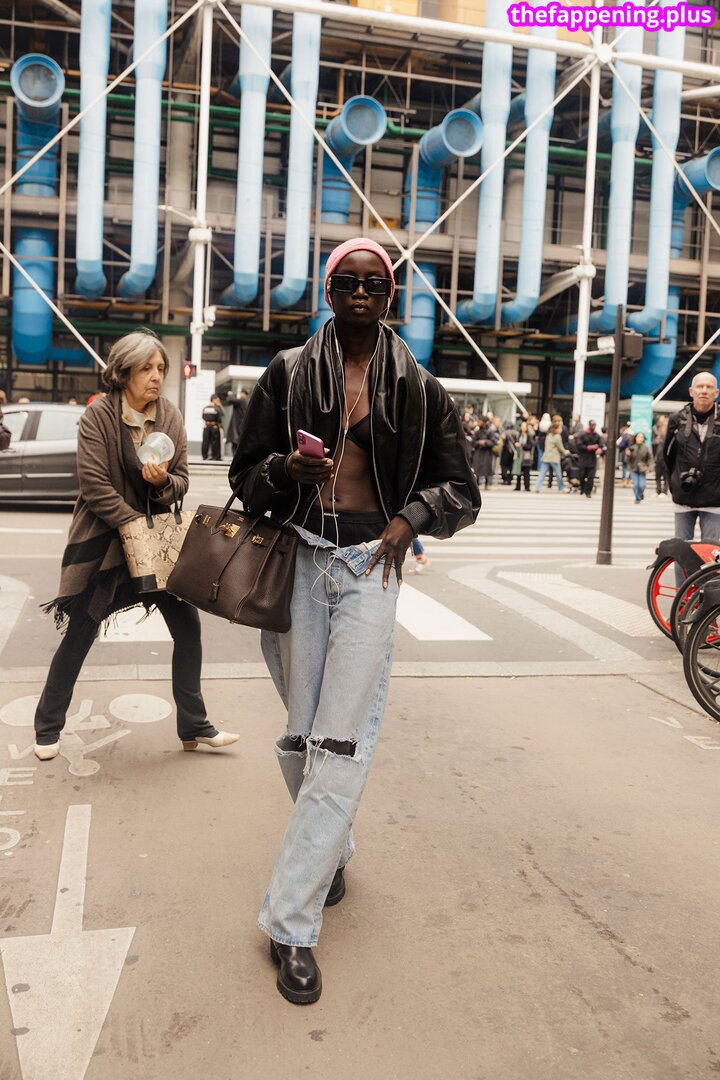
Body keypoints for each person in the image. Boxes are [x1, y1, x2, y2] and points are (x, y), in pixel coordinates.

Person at [229, 236, 481, 1006]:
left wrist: (410, 520)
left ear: (391, 295)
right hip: (299, 561)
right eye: (349, 282)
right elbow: (244, 473)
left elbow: (461, 489)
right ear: (329, 290)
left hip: (372, 567)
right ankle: (330, 848)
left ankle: (290, 923)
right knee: (302, 736)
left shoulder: (420, 387)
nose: (362, 293)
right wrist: (285, 470)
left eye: (376, 283)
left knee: (341, 743)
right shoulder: (286, 373)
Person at [33, 330, 239, 761]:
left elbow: (182, 479)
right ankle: (47, 727)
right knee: (80, 632)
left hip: (157, 549)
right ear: (123, 372)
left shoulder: (171, 416)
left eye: (161, 368)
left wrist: (163, 484)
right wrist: (133, 527)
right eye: (146, 368)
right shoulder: (99, 415)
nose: (156, 376)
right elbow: (94, 486)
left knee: (188, 630)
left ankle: (194, 727)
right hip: (108, 547)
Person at [664, 370, 720, 543]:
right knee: (681, 550)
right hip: (683, 495)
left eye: (709, 387)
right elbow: (667, 456)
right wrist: (674, 484)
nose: (704, 391)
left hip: (715, 498)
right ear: (691, 391)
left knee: (711, 552)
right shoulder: (677, 419)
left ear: (716, 393)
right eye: (700, 386)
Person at [575, 419, 605, 498]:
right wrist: (590, 447)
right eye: (592, 425)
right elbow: (579, 445)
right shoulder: (582, 434)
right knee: (582, 475)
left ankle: (588, 492)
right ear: (589, 425)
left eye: (594, 425)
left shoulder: (597, 435)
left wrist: (599, 449)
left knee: (591, 477)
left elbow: (601, 444)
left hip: (592, 459)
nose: (593, 426)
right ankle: (582, 488)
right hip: (583, 458)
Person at [534, 420, 566, 492]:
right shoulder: (558, 437)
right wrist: (566, 452)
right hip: (554, 458)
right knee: (558, 474)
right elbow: (560, 448)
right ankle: (561, 487)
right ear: (556, 429)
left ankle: (537, 487)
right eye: (560, 428)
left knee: (542, 474)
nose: (561, 430)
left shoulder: (548, 436)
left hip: (546, 457)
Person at [470, 416, 499, 488]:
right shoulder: (477, 432)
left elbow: (494, 441)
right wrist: (479, 442)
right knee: (477, 468)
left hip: (487, 453)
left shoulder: (490, 431)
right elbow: (472, 441)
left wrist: (485, 442)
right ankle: (477, 484)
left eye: (480, 421)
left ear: (484, 422)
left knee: (486, 468)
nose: (479, 423)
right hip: (478, 452)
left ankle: (487, 483)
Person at [626, 431, 653, 503]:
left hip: (642, 469)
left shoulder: (646, 448)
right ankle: (637, 498)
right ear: (635, 438)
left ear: (644, 438)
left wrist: (649, 468)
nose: (640, 438)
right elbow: (628, 461)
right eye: (638, 437)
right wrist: (628, 455)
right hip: (633, 469)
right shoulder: (632, 448)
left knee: (642, 485)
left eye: (641, 437)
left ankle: (640, 494)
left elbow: (650, 459)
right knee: (636, 485)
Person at [512, 420, 535, 491]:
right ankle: (518, 486)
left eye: (524, 426)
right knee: (518, 472)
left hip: (526, 456)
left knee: (526, 472)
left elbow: (530, 446)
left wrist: (521, 445)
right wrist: (516, 444)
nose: (523, 428)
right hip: (519, 456)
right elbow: (515, 443)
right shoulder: (518, 435)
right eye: (522, 426)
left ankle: (527, 487)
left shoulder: (528, 436)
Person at [201, 394, 224, 461]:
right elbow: (221, 415)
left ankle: (205, 456)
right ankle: (216, 457)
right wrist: (220, 405)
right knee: (215, 442)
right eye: (217, 400)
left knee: (205, 441)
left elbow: (203, 417)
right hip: (215, 426)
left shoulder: (205, 408)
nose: (218, 401)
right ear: (214, 400)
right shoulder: (217, 408)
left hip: (206, 426)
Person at [226, 388, 249, 453]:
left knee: (235, 442)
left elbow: (230, 400)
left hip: (238, 424)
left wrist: (230, 395)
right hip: (244, 423)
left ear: (243, 393)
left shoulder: (242, 400)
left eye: (241, 393)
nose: (240, 395)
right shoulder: (249, 400)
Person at [653, 414, 669, 497]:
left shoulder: (669, 433)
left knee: (666, 476)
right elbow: (653, 443)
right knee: (657, 475)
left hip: (666, 458)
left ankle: (664, 491)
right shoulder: (656, 430)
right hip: (658, 457)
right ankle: (658, 491)